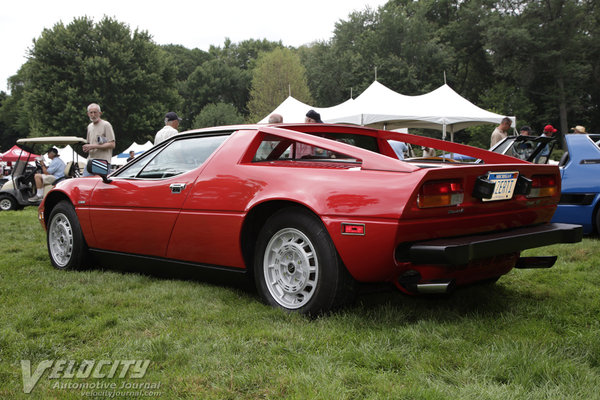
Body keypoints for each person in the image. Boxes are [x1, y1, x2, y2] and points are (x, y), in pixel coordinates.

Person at [83, 103, 116, 175]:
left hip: (102, 162)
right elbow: (90, 143)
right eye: (91, 112)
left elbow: (112, 144)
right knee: (84, 184)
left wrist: (93, 146)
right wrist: (87, 148)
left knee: (100, 185)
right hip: (90, 161)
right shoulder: (89, 127)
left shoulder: (106, 125)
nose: (93, 115)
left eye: (95, 112)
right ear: (88, 114)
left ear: (100, 113)